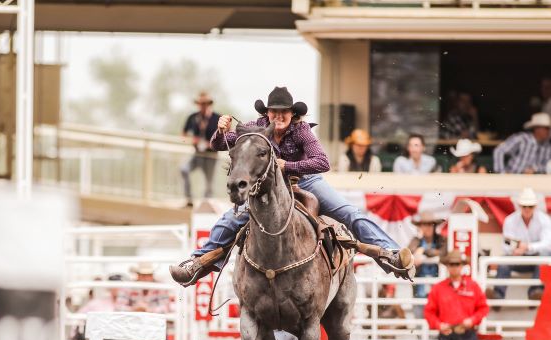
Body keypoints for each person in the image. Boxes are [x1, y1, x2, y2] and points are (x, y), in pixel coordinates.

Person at [169, 86, 415, 286]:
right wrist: (219, 131)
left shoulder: (302, 131)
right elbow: (221, 144)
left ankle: (390, 253)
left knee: (349, 213)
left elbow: (322, 162)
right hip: (269, 189)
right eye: (274, 111)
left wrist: (287, 167)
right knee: (230, 219)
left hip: (306, 182)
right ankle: (198, 262)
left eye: (283, 111)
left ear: (292, 113)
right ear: (267, 113)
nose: (278, 116)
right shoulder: (256, 129)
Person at [485, 188, 551, 302]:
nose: (527, 209)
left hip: (536, 260)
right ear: (520, 206)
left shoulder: (544, 220)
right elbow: (506, 246)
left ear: (535, 206)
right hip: (517, 258)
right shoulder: (510, 220)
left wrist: (527, 247)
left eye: (530, 206)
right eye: (524, 206)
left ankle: (536, 291)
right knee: (504, 261)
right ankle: (498, 294)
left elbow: (548, 244)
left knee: (545, 255)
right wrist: (515, 251)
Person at [180, 92, 220, 208]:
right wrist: (193, 140)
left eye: (205, 103)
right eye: (201, 103)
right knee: (184, 169)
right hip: (197, 153)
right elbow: (183, 134)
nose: (203, 106)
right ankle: (189, 199)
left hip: (211, 155)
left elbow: (225, 136)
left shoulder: (217, 118)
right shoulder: (193, 117)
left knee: (209, 183)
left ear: (209, 104)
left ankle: (206, 206)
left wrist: (211, 143)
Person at [408, 211, 448, 308]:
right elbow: (409, 252)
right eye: (425, 225)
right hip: (419, 287)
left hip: (437, 285)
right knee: (419, 316)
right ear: (420, 227)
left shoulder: (441, 240)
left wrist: (423, 250)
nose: (428, 227)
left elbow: (442, 252)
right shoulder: (416, 240)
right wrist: (419, 240)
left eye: (430, 224)